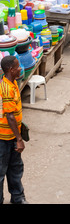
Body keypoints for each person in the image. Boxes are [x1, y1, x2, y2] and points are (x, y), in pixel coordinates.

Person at [0, 55, 27, 204]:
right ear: (11, 69)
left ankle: (17, 197)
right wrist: (19, 139)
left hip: (11, 135)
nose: (20, 68)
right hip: (4, 138)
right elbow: (9, 116)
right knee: (1, 172)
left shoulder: (13, 82)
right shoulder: (5, 88)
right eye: (17, 66)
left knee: (15, 168)